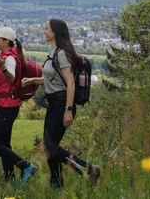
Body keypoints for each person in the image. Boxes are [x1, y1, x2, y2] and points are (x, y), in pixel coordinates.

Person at [21, 18, 101, 187]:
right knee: (49, 146)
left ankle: (89, 169)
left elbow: (70, 83)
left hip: (62, 103)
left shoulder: (62, 54)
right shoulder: (54, 52)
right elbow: (53, 79)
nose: (44, 31)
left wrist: (68, 110)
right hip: (54, 103)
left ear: (55, 32)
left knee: (50, 146)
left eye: (46, 28)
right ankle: (57, 182)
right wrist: (33, 80)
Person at [0, 27, 38, 183]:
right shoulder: (4, 56)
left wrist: (3, 67)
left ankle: (26, 166)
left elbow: (12, 78)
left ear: (6, 41)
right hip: (4, 105)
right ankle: (9, 180)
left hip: (8, 106)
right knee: (4, 144)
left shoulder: (10, 59)